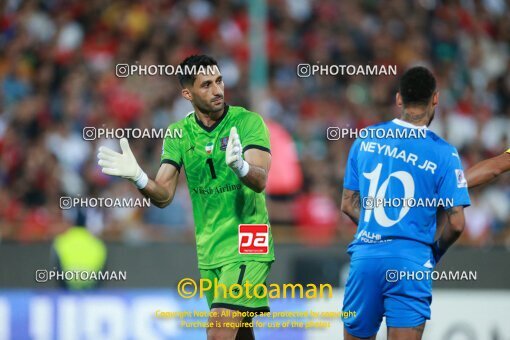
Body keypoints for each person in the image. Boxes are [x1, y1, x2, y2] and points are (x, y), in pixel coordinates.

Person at [97, 55, 274, 340]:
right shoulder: (178, 134)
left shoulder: (247, 122)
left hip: (248, 240)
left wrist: (240, 166)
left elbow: (260, 180)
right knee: (239, 333)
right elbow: (164, 194)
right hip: (209, 246)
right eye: (206, 85)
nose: (217, 90)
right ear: (187, 93)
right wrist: (139, 178)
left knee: (218, 329)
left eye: (219, 81)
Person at [340, 66, 471, 340]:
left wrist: (374, 225)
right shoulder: (444, 153)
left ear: (399, 99)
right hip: (411, 262)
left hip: (366, 258)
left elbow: (348, 204)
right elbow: (457, 223)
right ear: (436, 98)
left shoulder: (365, 139)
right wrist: (433, 250)